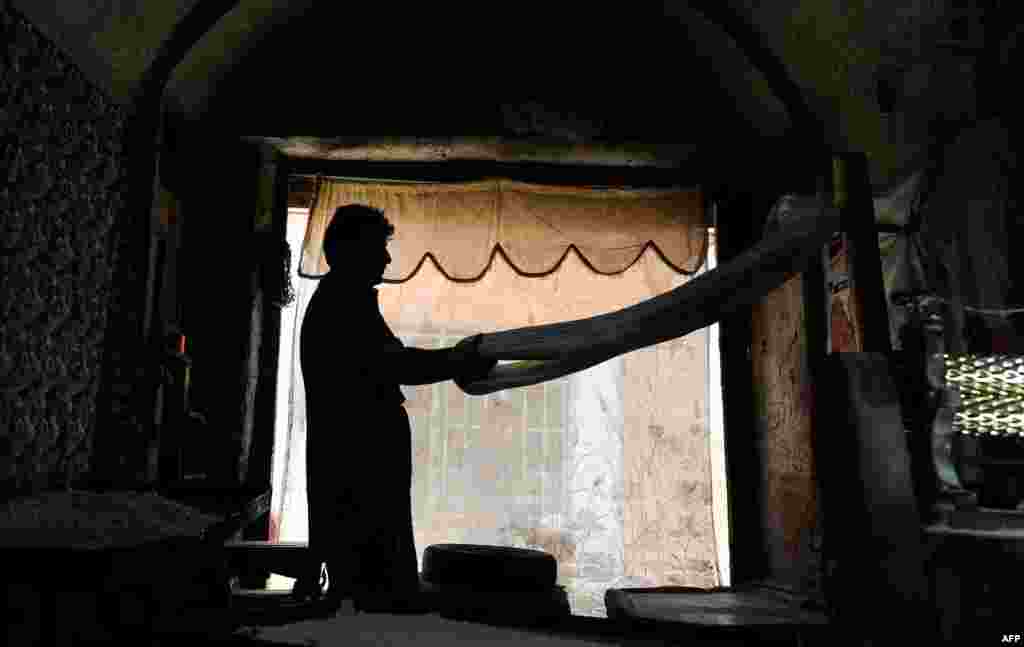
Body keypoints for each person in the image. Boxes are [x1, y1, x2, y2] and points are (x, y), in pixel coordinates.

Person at [294, 204, 497, 613]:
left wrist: (455, 361)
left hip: (361, 478)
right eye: (378, 248)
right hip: (359, 481)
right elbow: (394, 364)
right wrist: (457, 360)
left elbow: (391, 362)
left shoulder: (346, 302)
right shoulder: (341, 306)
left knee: (375, 597)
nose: (387, 259)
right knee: (376, 602)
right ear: (348, 251)